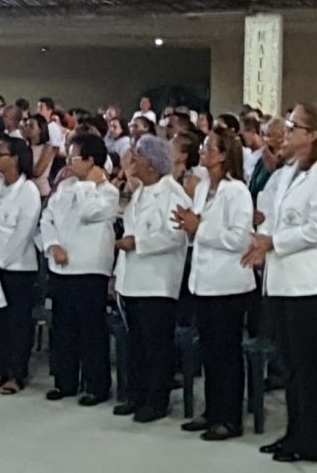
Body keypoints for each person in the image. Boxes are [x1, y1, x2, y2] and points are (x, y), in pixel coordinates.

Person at [242, 102, 317, 463]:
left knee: (304, 366)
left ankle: (311, 440)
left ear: (313, 134)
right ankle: (292, 433)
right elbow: (271, 214)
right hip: (279, 277)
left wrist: (275, 242)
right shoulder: (289, 170)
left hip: (306, 282)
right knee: (287, 363)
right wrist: (261, 242)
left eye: (293, 125)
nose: (286, 130)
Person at [174, 127, 256, 440]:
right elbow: (197, 225)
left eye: (210, 148)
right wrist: (187, 224)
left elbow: (239, 239)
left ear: (223, 155)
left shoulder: (237, 192)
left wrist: (200, 227)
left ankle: (230, 418)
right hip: (204, 280)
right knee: (209, 350)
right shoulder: (203, 186)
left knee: (227, 352)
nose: (204, 153)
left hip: (229, 283)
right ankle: (211, 411)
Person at [111, 135, 190, 422]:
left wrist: (139, 242)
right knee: (137, 343)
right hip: (133, 277)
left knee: (156, 343)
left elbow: (175, 235)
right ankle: (136, 394)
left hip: (157, 280)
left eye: (139, 156)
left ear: (154, 166)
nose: (134, 160)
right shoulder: (142, 191)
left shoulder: (173, 194)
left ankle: (157, 400)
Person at [41, 133, 119, 406]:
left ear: (90, 160)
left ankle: (96, 386)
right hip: (61, 267)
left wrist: (90, 184)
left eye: (74, 157)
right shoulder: (64, 186)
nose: (68, 162)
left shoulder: (108, 192)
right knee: (63, 328)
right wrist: (52, 245)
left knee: (91, 330)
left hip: (89, 269)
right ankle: (65, 381)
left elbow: (89, 212)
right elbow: (47, 217)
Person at [0, 136, 41, 395]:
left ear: (15, 159)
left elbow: (23, 233)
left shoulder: (28, 192)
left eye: (0, 154)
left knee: (17, 322)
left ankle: (16, 373)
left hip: (17, 268)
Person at [25, 114, 54, 198]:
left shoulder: (47, 148)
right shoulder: (25, 146)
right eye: (26, 125)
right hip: (25, 191)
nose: (27, 128)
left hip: (41, 192)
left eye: (31, 126)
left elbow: (37, 172)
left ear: (40, 129)